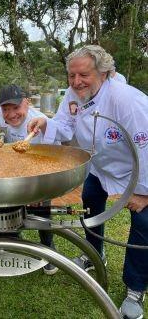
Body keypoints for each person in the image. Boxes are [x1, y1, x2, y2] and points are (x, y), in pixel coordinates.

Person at [28, 45, 148, 319]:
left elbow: (145, 144)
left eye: (83, 74)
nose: (76, 81)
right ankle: (95, 256)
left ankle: (135, 287)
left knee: (143, 224)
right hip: (99, 166)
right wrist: (46, 125)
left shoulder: (125, 98)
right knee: (91, 208)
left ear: (103, 73)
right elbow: (64, 125)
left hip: (136, 167)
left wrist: (144, 193)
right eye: (71, 75)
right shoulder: (73, 95)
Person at [0, 84, 58, 275]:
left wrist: (40, 190)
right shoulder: (0, 113)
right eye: (6, 109)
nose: (11, 114)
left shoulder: (39, 122)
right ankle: (10, 237)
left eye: (16, 108)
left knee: (42, 212)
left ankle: (49, 249)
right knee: (8, 204)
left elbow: (51, 160)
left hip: (38, 169)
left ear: (27, 103)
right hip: (12, 169)